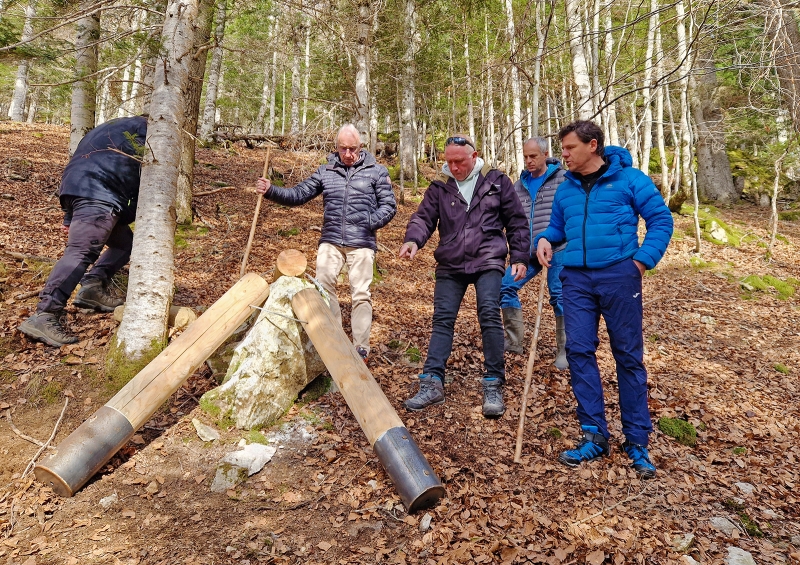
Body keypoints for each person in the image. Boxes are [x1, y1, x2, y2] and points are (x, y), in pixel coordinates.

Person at [535, 120, 673, 478]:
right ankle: (594, 434)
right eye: (562, 149)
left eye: (568, 148)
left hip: (619, 275)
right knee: (578, 351)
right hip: (576, 279)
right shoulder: (565, 188)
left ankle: (637, 440)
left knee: (628, 355)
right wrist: (546, 239)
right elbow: (558, 227)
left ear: (592, 146)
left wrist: (641, 262)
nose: (562, 155)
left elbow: (660, 219)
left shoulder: (630, 180)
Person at [399, 134, 530, 418]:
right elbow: (423, 218)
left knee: (488, 313)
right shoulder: (440, 188)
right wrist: (413, 240)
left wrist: (519, 257)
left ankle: (493, 383)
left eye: (459, 161)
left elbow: (517, 221)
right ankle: (433, 382)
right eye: (449, 162)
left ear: (475, 156)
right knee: (442, 319)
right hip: (451, 263)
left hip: (488, 260)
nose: (454, 167)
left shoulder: (497, 182)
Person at [256, 124, 396, 361]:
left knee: (360, 294)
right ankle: (335, 340)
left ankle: (361, 348)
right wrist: (271, 191)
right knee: (323, 286)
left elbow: (389, 206)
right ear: (337, 148)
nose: (348, 154)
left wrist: (369, 222)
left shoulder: (376, 171)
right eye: (343, 149)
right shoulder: (326, 171)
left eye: (353, 149)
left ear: (361, 147)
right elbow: (298, 195)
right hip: (331, 239)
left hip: (361, 242)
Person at [18, 115, 147, 347]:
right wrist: (132, 212)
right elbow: (141, 178)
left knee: (124, 244)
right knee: (80, 252)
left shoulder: (111, 126)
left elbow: (83, 158)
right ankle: (45, 314)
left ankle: (92, 288)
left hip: (77, 186)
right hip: (101, 190)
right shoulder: (146, 132)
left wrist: (69, 212)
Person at [500, 137, 568, 369]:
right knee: (506, 286)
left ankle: (565, 351)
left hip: (557, 248)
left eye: (533, 156)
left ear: (545, 154)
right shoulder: (519, 184)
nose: (528, 161)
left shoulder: (563, 179)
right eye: (525, 156)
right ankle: (513, 342)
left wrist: (554, 238)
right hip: (526, 251)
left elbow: (570, 214)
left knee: (559, 295)